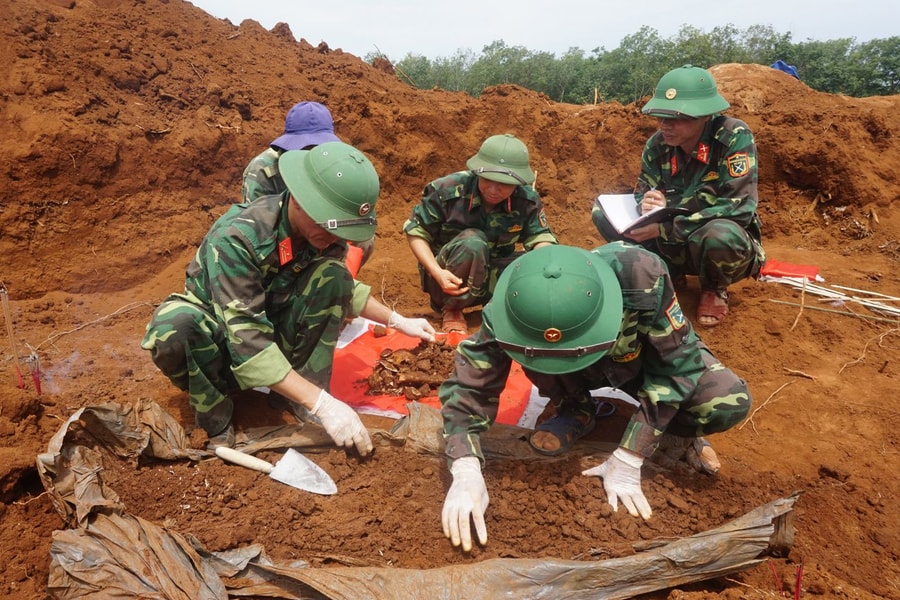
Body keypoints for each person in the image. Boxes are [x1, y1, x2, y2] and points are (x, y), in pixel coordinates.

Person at [439, 243, 751, 551]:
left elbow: (677, 364)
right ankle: (575, 409)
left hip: (643, 362)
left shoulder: (641, 275)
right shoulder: (515, 305)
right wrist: (465, 467)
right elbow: (471, 383)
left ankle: (675, 431)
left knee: (723, 401)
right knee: (546, 358)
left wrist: (631, 455)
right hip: (573, 377)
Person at [142, 142, 435, 452]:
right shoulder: (238, 238)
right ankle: (215, 416)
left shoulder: (323, 234)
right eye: (329, 226)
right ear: (298, 198)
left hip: (270, 332)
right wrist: (323, 404)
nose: (334, 239)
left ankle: (297, 396)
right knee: (175, 325)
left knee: (334, 277)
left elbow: (344, 290)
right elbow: (247, 342)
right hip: (220, 346)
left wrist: (397, 320)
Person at [591, 65, 766, 327]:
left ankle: (714, 288)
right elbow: (643, 192)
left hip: (715, 244)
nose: (665, 125)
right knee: (602, 214)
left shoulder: (732, 138)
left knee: (720, 235)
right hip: (671, 241)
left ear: (704, 116)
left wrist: (665, 228)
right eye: (661, 117)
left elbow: (739, 207)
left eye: (676, 118)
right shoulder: (657, 145)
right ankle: (666, 272)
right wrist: (647, 203)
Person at [403, 133, 558, 333]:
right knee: (473, 242)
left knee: (537, 262)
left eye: (504, 184)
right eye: (487, 180)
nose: (493, 189)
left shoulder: (526, 199)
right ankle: (453, 309)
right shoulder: (447, 189)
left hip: (492, 274)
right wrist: (436, 272)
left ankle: (503, 306)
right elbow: (416, 231)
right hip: (447, 280)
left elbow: (541, 239)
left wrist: (544, 266)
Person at [242, 101, 374, 269]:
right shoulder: (263, 171)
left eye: (317, 147)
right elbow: (258, 230)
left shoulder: (334, 164)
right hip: (283, 239)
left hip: (324, 227)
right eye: (305, 147)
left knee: (364, 240)